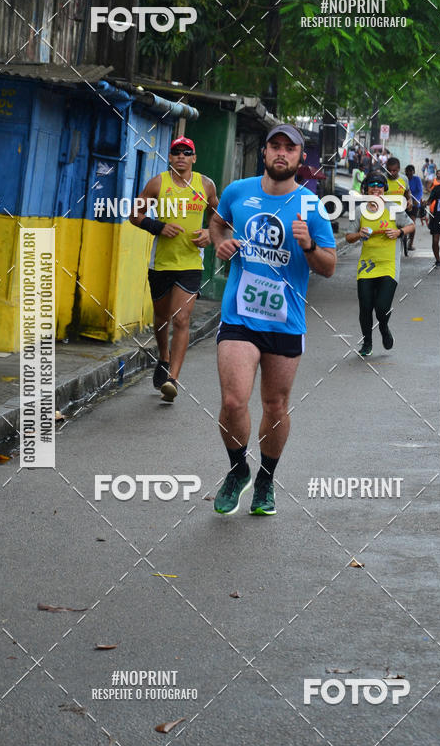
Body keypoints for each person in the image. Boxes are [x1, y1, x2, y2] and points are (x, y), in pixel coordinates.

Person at [209, 124, 336, 516]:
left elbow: (328, 267)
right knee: (233, 401)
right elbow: (216, 222)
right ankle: (237, 470)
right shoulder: (237, 192)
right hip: (240, 316)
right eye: (275, 147)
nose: (282, 154)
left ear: (300, 158)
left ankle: (266, 479)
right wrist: (220, 244)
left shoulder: (312, 206)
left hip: (285, 321)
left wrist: (309, 245)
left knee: (275, 405)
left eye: (290, 149)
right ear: (264, 153)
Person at [130, 136, 218, 401]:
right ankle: (164, 357)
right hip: (161, 263)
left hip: (191, 262)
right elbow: (135, 214)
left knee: (181, 319)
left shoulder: (206, 185)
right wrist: (159, 227)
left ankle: (172, 380)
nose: (181, 156)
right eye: (175, 152)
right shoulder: (158, 183)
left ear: (194, 158)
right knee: (162, 319)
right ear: (169, 157)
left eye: (186, 152)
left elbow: (220, 216)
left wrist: (209, 233)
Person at [345, 171, 414, 356]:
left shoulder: (393, 208)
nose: (376, 188)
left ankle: (383, 327)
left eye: (379, 185)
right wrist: (359, 234)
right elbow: (348, 237)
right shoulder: (360, 211)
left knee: (382, 308)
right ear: (366, 188)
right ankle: (367, 342)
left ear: (384, 188)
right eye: (372, 184)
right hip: (367, 266)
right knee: (365, 306)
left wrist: (399, 232)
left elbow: (411, 225)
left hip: (389, 265)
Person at [404, 164, 423, 249]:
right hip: (404, 202)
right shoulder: (403, 179)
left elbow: (420, 191)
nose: (409, 173)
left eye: (411, 171)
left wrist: (417, 200)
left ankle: (410, 244)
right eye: (407, 171)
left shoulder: (417, 179)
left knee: (412, 223)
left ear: (413, 172)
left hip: (415, 203)